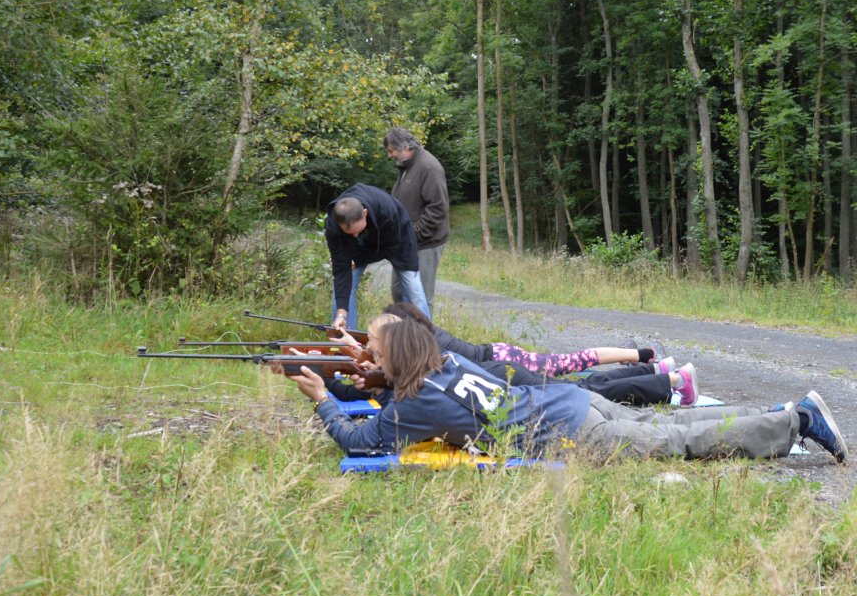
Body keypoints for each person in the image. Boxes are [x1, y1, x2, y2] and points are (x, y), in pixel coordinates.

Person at [291, 319, 848, 464]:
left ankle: (796, 421)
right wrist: (376, 380)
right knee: (674, 422)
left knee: (683, 442)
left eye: (375, 351)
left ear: (398, 356)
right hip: (571, 403)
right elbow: (413, 404)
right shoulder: (448, 362)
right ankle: (778, 411)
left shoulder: (416, 400)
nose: (371, 357)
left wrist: (323, 398)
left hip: (574, 432)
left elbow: (362, 441)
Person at [366, 302, 698, 406]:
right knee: (585, 380)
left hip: (504, 366)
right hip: (500, 360)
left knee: (583, 376)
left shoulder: (422, 344)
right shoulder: (424, 334)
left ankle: (657, 367)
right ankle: (657, 371)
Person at [325, 183, 430, 331]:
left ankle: (429, 337)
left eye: (358, 230)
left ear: (365, 213)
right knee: (346, 285)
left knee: (413, 290)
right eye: (350, 233)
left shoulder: (386, 210)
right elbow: (341, 271)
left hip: (398, 240)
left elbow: (387, 249)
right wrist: (341, 313)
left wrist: (359, 259)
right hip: (359, 246)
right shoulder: (333, 227)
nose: (355, 235)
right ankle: (344, 336)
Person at [384, 127, 450, 318]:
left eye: (391, 151)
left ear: (405, 147)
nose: (390, 155)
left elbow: (438, 209)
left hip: (426, 244)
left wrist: (412, 235)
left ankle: (424, 335)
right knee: (398, 291)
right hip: (405, 244)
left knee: (420, 297)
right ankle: (405, 332)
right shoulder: (406, 167)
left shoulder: (429, 167)